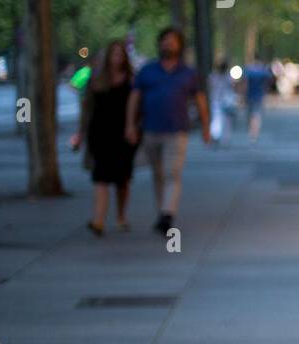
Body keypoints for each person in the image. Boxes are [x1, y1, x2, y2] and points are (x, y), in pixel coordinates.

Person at [125, 27, 210, 233]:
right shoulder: (148, 71)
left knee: (172, 173)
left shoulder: (188, 73)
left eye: (173, 41)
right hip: (151, 129)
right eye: (165, 40)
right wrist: (129, 125)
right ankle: (162, 211)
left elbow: (200, 100)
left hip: (177, 131)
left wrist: (206, 126)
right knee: (158, 174)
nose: (168, 44)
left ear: (180, 45)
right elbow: (134, 98)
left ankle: (167, 213)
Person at [71, 40, 137, 235]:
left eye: (120, 54)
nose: (116, 58)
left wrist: (134, 128)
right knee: (100, 177)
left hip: (122, 134)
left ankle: (121, 216)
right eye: (113, 54)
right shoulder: (95, 79)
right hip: (99, 134)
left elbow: (138, 107)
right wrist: (80, 134)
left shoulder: (131, 80)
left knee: (122, 179)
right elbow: (86, 109)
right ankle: (98, 220)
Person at [207, 60, 236, 146]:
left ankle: (216, 136)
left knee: (216, 119)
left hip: (216, 100)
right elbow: (233, 87)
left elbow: (210, 86)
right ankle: (224, 138)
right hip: (225, 101)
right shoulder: (228, 77)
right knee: (226, 121)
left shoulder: (213, 76)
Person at [243, 59, 270, 142]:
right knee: (256, 115)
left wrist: (243, 95)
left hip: (250, 96)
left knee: (250, 115)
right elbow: (266, 83)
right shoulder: (262, 71)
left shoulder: (249, 70)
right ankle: (255, 132)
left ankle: (252, 132)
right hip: (258, 96)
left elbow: (245, 83)